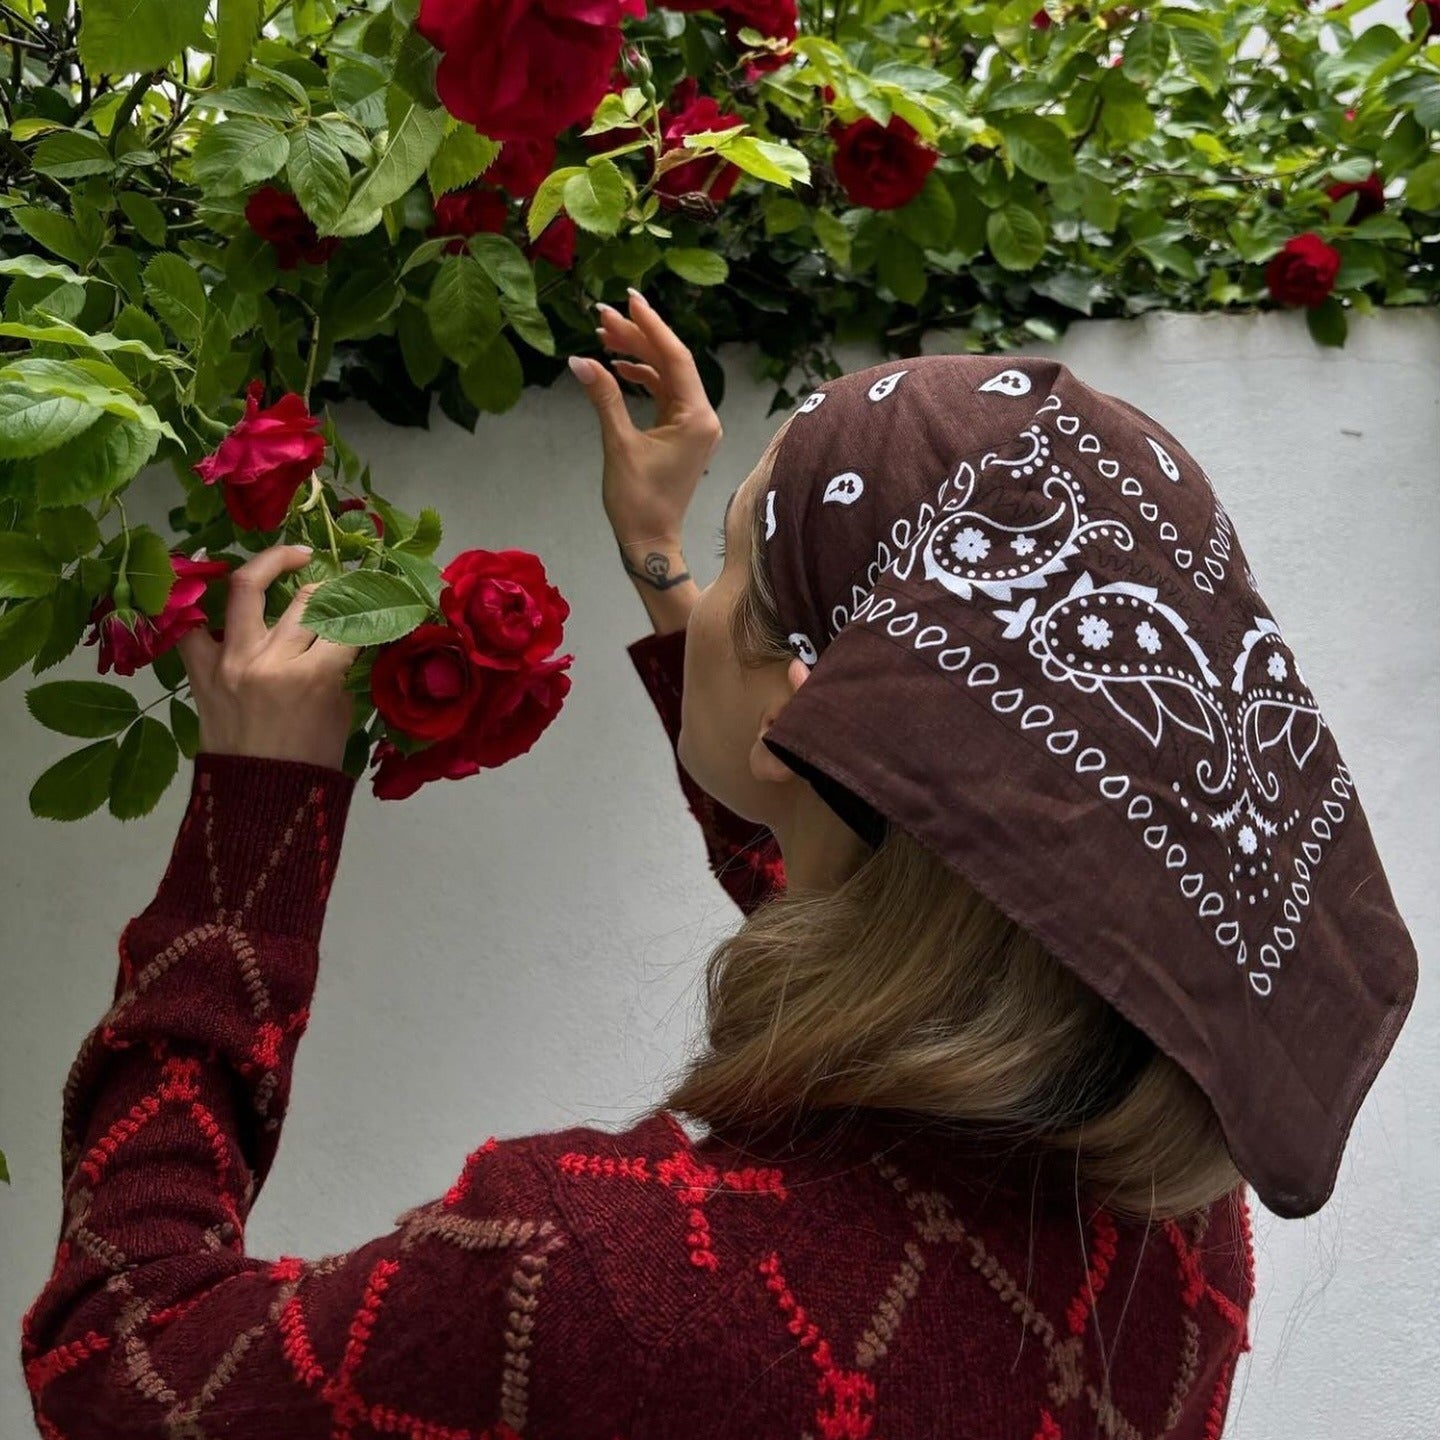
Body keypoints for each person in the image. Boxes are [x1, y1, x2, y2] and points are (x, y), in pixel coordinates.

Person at [21, 293, 1415, 1439]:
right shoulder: (1172, 1208)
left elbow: (125, 1361)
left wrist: (258, 811)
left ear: (819, 708)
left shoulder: (600, 1280)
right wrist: (662, 559)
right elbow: (880, 877)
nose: (712, 580)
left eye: (746, 552)